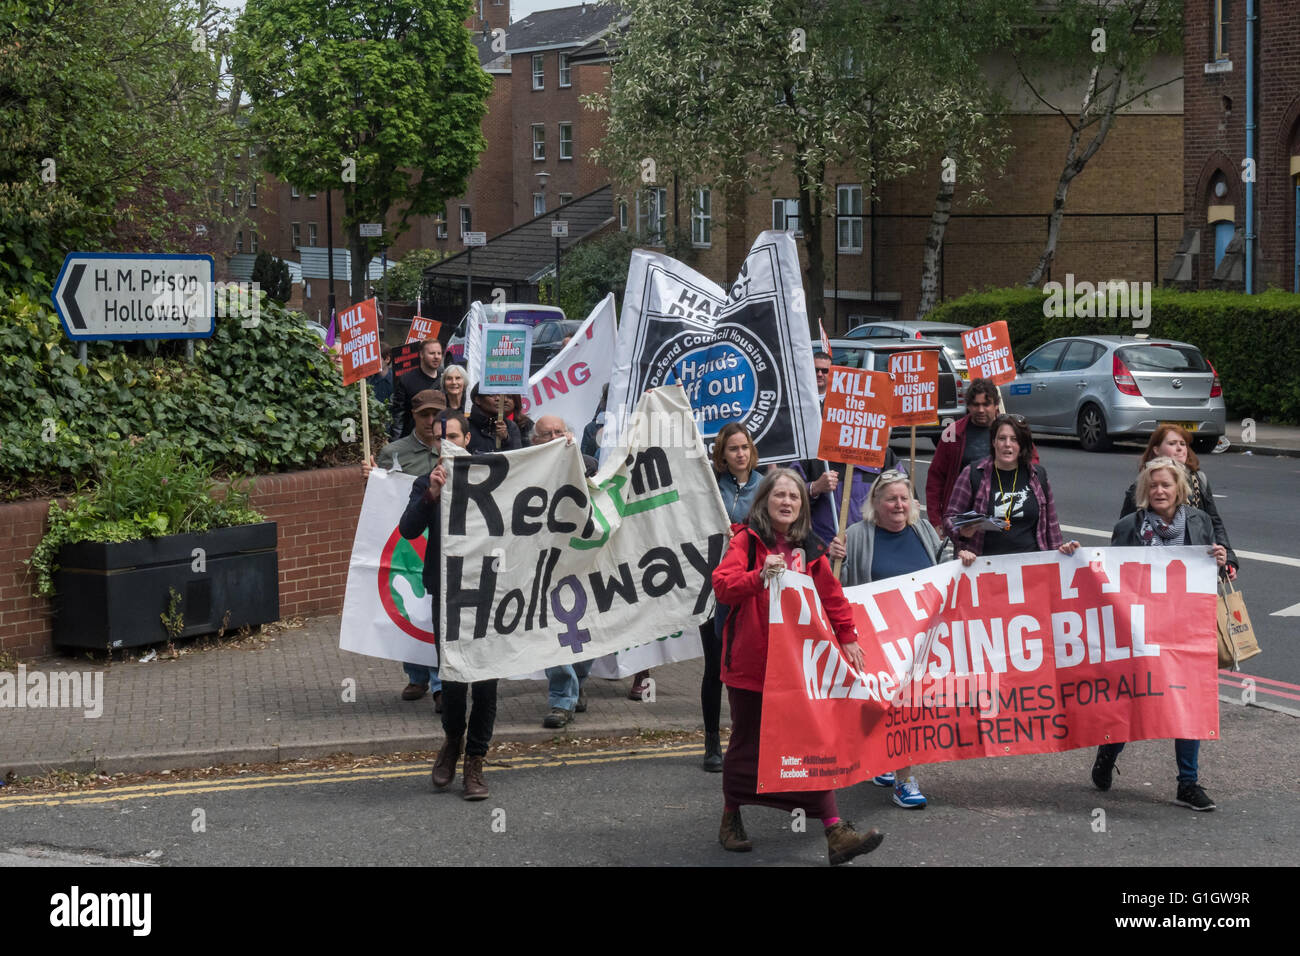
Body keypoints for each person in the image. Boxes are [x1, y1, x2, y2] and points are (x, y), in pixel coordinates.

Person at [712, 468, 885, 865]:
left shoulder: (810, 547)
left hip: (799, 667)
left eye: (794, 497)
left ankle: (834, 829)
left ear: (802, 506)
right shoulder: (745, 541)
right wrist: (758, 577)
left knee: (810, 744)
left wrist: (848, 636)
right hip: (752, 667)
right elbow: (723, 585)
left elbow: (832, 595)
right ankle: (730, 817)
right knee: (746, 745)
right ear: (765, 502)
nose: (787, 502)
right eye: (779, 496)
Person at [1093, 456, 1229, 811]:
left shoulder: (1199, 522)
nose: (1159, 491)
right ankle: (1108, 752)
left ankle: (1188, 783)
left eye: (1166, 484)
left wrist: (1218, 558)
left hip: (1186, 629)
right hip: (1142, 629)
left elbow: (1210, 575)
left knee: (1188, 702)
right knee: (1134, 701)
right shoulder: (1128, 526)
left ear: (1179, 489)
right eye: (1152, 485)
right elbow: (1111, 577)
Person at [399, 409, 497, 800]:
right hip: (447, 594)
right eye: (441, 438)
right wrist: (431, 496)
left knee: (487, 684)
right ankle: (453, 740)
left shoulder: (493, 479)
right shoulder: (428, 481)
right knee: (453, 680)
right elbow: (407, 529)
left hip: (490, 593)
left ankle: (475, 760)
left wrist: (565, 449)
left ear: (467, 439)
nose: (447, 444)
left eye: (454, 436)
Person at [839, 470, 941, 809]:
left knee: (906, 709)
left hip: (917, 641)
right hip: (875, 641)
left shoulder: (924, 530)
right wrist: (832, 557)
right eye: (891, 499)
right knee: (888, 708)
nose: (899, 505)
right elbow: (835, 585)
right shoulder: (856, 535)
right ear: (876, 503)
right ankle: (895, 772)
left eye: (904, 498)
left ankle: (896, 770)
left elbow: (944, 571)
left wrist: (964, 557)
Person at [363, 389, 448, 707]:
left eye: (437, 415)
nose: (431, 421)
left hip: (439, 539)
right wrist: (370, 481)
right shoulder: (393, 452)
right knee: (411, 606)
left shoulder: (454, 448)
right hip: (409, 540)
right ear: (413, 416)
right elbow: (381, 500)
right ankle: (417, 675)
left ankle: (441, 684)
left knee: (435, 615)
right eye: (425, 414)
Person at [700, 424, 762, 772]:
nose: (740, 453)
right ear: (722, 455)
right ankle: (712, 741)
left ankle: (749, 741)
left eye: (744, 447)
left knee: (747, 669)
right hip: (711, 589)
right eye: (733, 449)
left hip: (748, 589)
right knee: (714, 668)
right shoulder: (709, 486)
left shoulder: (765, 485)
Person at [533, 414, 598, 729]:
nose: (554, 437)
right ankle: (561, 700)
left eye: (560, 432)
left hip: (582, 562)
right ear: (535, 441)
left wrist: (576, 459)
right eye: (546, 434)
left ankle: (579, 680)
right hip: (544, 565)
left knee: (585, 630)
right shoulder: (526, 470)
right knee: (550, 632)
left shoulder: (586, 464)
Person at [944, 414, 1077, 564]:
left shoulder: (1038, 475)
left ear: (1022, 445)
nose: (1007, 444)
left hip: (1031, 567)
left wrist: (1061, 553)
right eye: (1002, 438)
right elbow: (950, 518)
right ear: (994, 442)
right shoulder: (973, 473)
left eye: (1014, 439)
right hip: (985, 567)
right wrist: (961, 532)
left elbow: (1052, 528)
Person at [1119, 424, 1237, 580]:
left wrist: (1227, 559)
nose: (1180, 448)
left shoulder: (1198, 487)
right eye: (1172, 443)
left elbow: (1214, 524)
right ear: (1156, 449)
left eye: (1183, 444)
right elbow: (1119, 551)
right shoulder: (1137, 499)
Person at [926, 379, 1037, 531]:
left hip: (1007, 516)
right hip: (965, 520)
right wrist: (936, 521)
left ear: (996, 405)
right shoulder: (952, 433)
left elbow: (1033, 470)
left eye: (986, 404)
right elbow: (935, 478)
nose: (981, 410)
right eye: (976, 405)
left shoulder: (1014, 431)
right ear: (968, 406)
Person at [793, 453, 899, 546]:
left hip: (871, 549)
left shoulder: (883, 453)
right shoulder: (813, 451)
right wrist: (814, 488)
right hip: (824, 550)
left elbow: (905, 497)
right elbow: (786, 493)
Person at [391, 338, 444, 439]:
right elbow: (398, 414)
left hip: (439, 437)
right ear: (421, 355)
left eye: (439, 353)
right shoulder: (406, 380)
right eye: (432, 353)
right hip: (413, 438)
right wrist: (396, 440)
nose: (436, 357)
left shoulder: (446, 378)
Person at [466, 384, 522, 452]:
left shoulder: (510, 426)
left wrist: (506, 439)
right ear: (478, 400)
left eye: (500, 394)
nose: (498, 399)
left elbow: (518, 458)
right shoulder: (465, 426)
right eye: (491, 394)